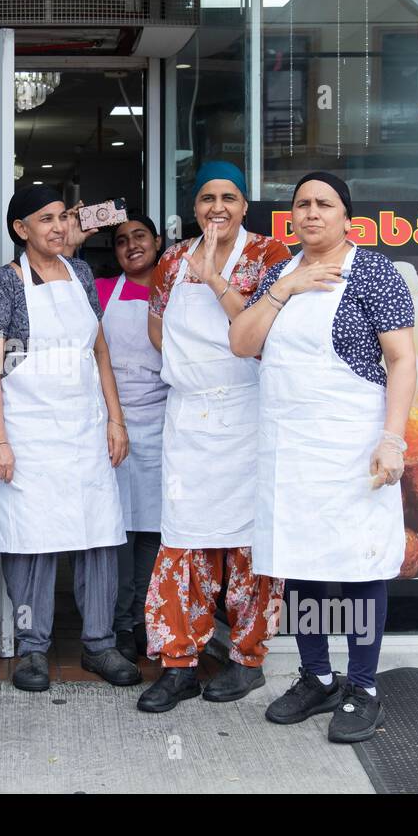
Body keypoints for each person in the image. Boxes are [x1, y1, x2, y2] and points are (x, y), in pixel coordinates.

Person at [230, 171, 416, 744]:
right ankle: (317, 676)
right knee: (303, 563)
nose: (312, 213)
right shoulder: (278, 273)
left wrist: (393, 439)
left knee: (358, 569)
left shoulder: (375, 273)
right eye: (302, 204)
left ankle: (363, 687)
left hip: (352, 448)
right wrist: (287, 289)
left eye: (324, 204)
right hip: (291, 450)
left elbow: (402, 362)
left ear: (346, 218)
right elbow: (242, 342)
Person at [138, 161, 291, 714]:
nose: (217, 208)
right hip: (190, 418)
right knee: (184, 541)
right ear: (195, 206)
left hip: (248, 416)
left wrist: (218, 281)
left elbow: (261, 335)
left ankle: (248, 660)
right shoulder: (173, 260)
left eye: (229, 197)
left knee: (249, 545)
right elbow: (158, 327)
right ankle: (178, 664)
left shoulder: (269, 256)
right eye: (207, 198)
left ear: (245, 206)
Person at [0, 185, 142, 692]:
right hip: (28, 435)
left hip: (84, 429)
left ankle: (99, 645)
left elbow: (99, 351)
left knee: (98, 539)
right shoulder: (5, 285)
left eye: (61, 217)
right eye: (43, 219)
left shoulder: (81, 274)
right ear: (20, 230)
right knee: (31, 545)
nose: (55, 226)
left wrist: (116, 420)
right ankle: (32, 649)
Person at [94, 214, 167, 664]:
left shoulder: (175, 292)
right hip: (114, 422)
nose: (131, 245)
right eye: (121, 240)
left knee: (153, 531)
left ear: (158, 242)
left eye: (140, 236)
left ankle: (145, 619)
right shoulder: (103, 293)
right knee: (117, 532)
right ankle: (121, 624)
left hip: (163, 424)